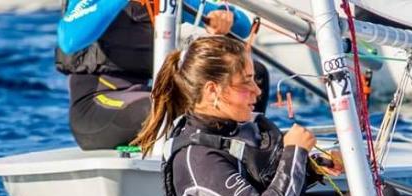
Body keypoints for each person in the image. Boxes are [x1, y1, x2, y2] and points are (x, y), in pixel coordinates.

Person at [132, 36, 412, 196]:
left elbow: (269, 180)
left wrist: (317, 165)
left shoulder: (238, 128)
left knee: (383, 195)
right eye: (246, 82)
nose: (257, 91)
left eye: (255, 79)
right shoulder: (197, 158)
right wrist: (295, 153)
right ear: (212, 91)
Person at [55, 0, 270, 150]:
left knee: (252, 76)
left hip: (149, 95)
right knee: (162, 108)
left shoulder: (163, 2)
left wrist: (225, 17)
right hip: (95, 108)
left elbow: (243, 26)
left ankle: (245, 153)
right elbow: (69, 39)